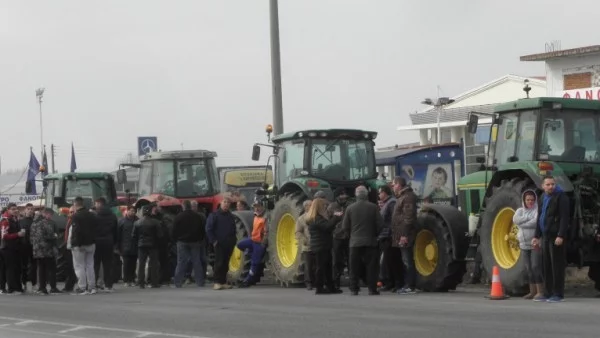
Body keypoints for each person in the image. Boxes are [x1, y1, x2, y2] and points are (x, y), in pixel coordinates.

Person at [532, 176, 570, 303]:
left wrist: (561, 235)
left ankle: (558, 293)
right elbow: (540, 217)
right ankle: (547, 293)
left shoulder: (561, 197)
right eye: (548, 184)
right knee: (546, 265)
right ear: (543, 186)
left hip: (556, 237)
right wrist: (536, 236)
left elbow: (565, 218)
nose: (550, 186)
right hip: (545, 236)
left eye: (552, 184)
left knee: (557, 266)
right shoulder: (543, 197)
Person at [343, 186, 384, 296]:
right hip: (370, 242)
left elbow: (345, 226)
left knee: (354, 267)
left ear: (356, 194)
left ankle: (354, 289)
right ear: (366, 195)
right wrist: (374, 235)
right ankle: (372, 289)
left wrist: (351, 236)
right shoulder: (373, 207)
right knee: (371, 267)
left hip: (354, 242)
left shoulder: (350, 208)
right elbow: (380, 224)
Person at [306, 198, 343, 295]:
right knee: (321, 268)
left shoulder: (315, 218)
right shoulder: (316, 219)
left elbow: (327, 226)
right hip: (320, 246)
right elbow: (327, 227)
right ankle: (319, 288)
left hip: (323, 245)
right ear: (319, 207)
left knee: (327, 267)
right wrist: (336, 217)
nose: (325, 207)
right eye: (324, 206)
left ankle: (330, 287)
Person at [513, 190, 543, 300]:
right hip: (523, 244)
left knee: (535, 266)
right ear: (524, 201)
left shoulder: (537, 211)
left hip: (534, 243)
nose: (530, 202)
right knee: (528, 268)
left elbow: (535, 222)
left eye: (532, 200)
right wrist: (526, 219)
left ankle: (540, 291)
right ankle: (532, 292)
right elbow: (515, 219)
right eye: (528, 200)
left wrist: (522, 223)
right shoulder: (520, 210)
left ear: (535, 200)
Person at [391, 176, 418, 295]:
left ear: (399, 185)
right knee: (404, 259)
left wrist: (404, 234)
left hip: (405, 234)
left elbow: (409, 217)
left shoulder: (407, 198)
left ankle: (410, 286)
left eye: (393, 184)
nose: (392, 187)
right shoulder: (402, 197)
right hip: (400, 234)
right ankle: (407, 284)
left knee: (407, 260)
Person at [172, 200, 207, 288]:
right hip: (195, 242)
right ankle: (200, 282)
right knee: (197, 262)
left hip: (182, 242)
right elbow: (202, 230)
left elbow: (174, 230)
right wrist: (200, 239)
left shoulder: (179, 217)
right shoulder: (197, 216)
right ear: (190, 206)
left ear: (183, 206)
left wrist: (175, 240)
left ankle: (178, 282)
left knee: (181, 262)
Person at [206, 196, 237, 290]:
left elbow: (233, 229)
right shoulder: (214, 215)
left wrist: (233, 240)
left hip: (229, 243)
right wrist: (214, 241)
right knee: (219, 263)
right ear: (221, 203)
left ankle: (223, 282)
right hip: (219, 243)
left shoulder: (231, 216)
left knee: (226, 263)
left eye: (228, 202)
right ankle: (217, 282)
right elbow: (208, 229)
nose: (226, 204)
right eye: (225, 202)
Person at [236, 200, 268, 288]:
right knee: (240, 244)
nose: (256, 208)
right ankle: (250, 252)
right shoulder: (255, 216)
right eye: (255, 207)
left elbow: (266, 233)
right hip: (252, 240)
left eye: (258, 206)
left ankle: (248, 281)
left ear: (262, 207)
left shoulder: (265, 218)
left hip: (259, 243)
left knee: (255, 263)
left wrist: (263, 244)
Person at [70, 196, 98, 295]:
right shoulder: (92, 215)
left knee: (79, 266)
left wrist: (77, 244)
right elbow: (96, 229)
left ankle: (82, 287)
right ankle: (92, 287)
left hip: (80, 245)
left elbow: (76, 231)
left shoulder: (76, 216)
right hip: (91, 244)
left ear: (75, 204)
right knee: (90, 265)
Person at [30, 208, 60, 295]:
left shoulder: (33, 224)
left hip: (36, 250)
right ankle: (53, 287)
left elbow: (31, 238)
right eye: (50, 215)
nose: (50, 217)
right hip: (46, 250)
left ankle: (42, 288)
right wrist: (55, 236)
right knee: (51, 269)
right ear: (46, 214)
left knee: (41, 269)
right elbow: (50, 235)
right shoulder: (45, 223)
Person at [133, 205, 164, 289]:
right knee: (154, 264)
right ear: (150, 212)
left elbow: (134, 235)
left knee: (141, 264)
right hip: (153, 245)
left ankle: (141, 283)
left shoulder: (137, 222)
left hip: (141, 245)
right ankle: (154, 282)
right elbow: (160, 235)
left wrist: (138, 242)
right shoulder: (156, 222)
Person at [93, 197, 118, 292]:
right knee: (108, 264)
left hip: (97, 242)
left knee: (95, 264)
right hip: (109, 242)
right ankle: (108, 285)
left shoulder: (95, 216)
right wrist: (114, 242)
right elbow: (115, 231)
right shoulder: (113, 216)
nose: (95, 205)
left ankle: (93, 284)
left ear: (99, 204)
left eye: (96, 203)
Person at [0, 203, 26, 294]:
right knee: (10, 269)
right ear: (8, 209)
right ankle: (12, 288)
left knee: (16, 268)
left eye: (16, 209)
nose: (15, 211)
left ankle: (17, 287)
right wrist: (17, 234)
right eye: (13, 209)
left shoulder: (15, 219)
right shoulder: (5, 220)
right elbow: (4, 236)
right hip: (7, 248)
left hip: (15, 247)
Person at [329, 187, 351, 290]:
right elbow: (327, 222)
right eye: (341, 195)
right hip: (336, 237)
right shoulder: (331, 207)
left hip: (348, 236)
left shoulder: (350, 206)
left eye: (344, 195)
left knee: (351, 260)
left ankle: (352, 282)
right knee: (336, 260)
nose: (343, 197)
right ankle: (335, 282)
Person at [377, 185, 397, 292]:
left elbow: (393, 220)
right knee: (386, 261)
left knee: (388, 260)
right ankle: (389, 282)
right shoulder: (387, 203)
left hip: (388, 236)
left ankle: (391, 282)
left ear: (385, 193)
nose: (379, 195)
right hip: (384, 235)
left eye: (380, 192)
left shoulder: (391, 202)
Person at [295, 199, 315, 290]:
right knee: (308, 265)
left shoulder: (316, 216)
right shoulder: (301, 219)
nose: (312, 207)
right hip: (307, 246)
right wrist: (304, 240)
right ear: (305, 207)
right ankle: (308, 283)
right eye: (310, 205)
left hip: (317, 244)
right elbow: (298, 232)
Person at [117, 206, 139, 287]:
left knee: (133, 264)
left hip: (135, 245)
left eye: (134, 211)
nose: (132, 212)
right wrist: (118, 247)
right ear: (127, 211)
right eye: (131, 210)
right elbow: (118, 235)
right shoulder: (121, 221)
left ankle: (132, 279)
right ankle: (126, 280)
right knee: (126, 264)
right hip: (124, 246)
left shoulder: (137, 221)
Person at [19, 203, 37, 292]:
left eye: (31, 209)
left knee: (34, 265)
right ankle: (23, 283)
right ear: (25, 210)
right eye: (28, 209)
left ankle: (34, 284)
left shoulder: (36, 221)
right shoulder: (21, 221)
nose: (30, 210)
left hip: (34, 246)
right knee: (24, 265)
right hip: (24, 246)